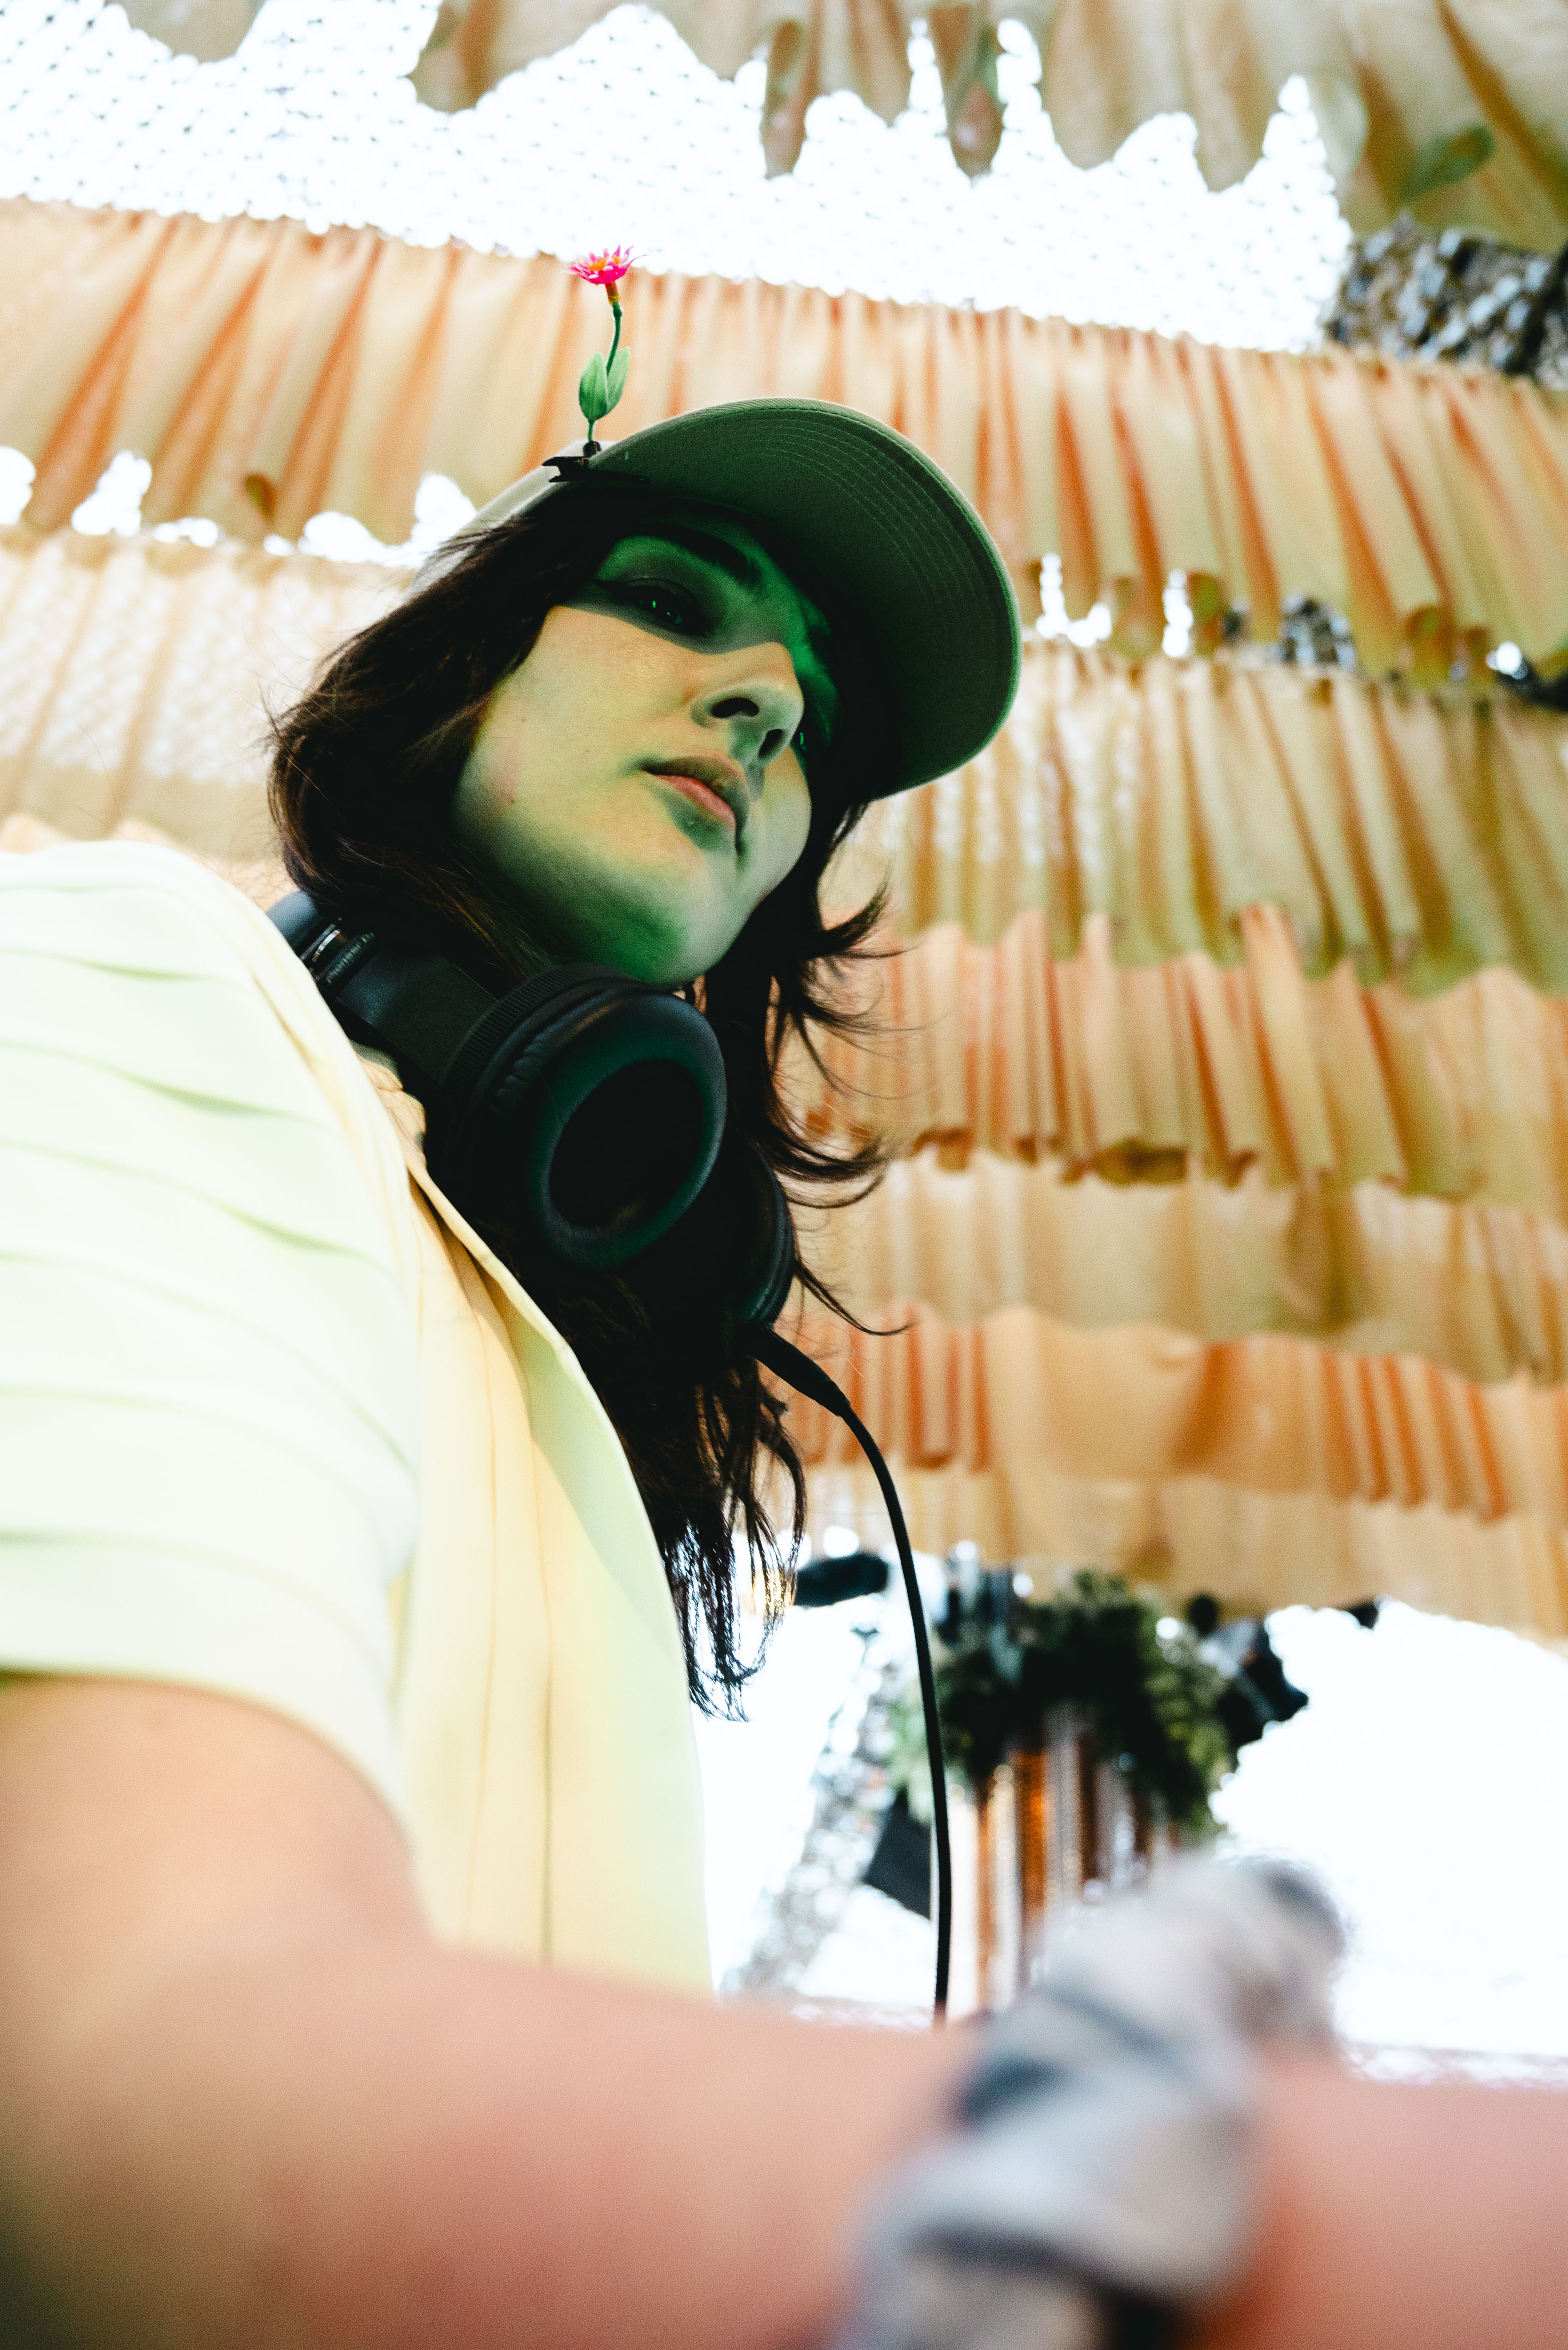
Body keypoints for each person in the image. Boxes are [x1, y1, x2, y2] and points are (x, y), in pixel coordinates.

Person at [2, 378, 1567, 2350]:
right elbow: (138, 2079)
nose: (765, 705)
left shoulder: (509, 1323)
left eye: (811, 719)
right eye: (676, 601)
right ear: (460, 674)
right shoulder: (129, 969)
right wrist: (1172, 2210)